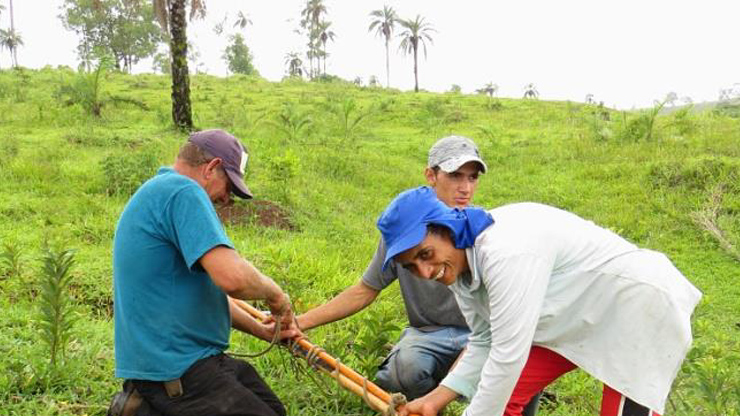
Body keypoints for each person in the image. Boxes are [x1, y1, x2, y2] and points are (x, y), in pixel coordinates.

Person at [375, 186, 701, 416]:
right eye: (411, 266)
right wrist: (434, 400)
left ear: (445, 227)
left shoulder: (505, 250)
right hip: (572, 317)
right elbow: (485, 340)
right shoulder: (459, 265)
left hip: (637, 307)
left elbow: (507, 353)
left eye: (425, 254)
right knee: (503, 401)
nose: (425, 271)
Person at [296, 136, 539, 415]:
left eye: (472, 178)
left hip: (484, 332)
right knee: (403, 371)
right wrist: (300, 322)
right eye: (455, 176)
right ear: (431, 175)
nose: (465, 188)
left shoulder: (485, 234)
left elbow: (500, 333)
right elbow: (365, 289)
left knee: (521, 366)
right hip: (428, 333)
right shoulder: (402, 230)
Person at [108, 129, 299, 416]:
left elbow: (205, 293)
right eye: (229, 187)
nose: (226, 199)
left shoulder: (161, 191)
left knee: (272, 408)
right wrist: (277, 297)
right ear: (211, 168)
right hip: (176, 368)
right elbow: (232, 278)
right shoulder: (184, 191)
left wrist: (261, 330)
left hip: (187, 360)